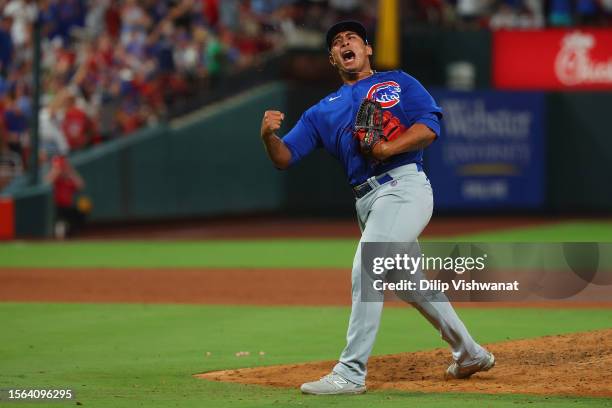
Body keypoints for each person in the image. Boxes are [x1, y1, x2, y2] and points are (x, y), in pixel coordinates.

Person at [259, 21, 495, 395]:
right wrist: (268, 137)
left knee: (368, 264)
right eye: (337, 42)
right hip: (367, 201)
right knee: (410, 284)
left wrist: (388, 147)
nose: (344, 43)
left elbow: (430, 125)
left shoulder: (398, 82)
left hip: (403, 186)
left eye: (351, 37)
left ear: (367, 49)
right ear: (333, 58)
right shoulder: (322, 111)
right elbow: (284, 158)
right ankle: (470, 353)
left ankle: (351, 372)